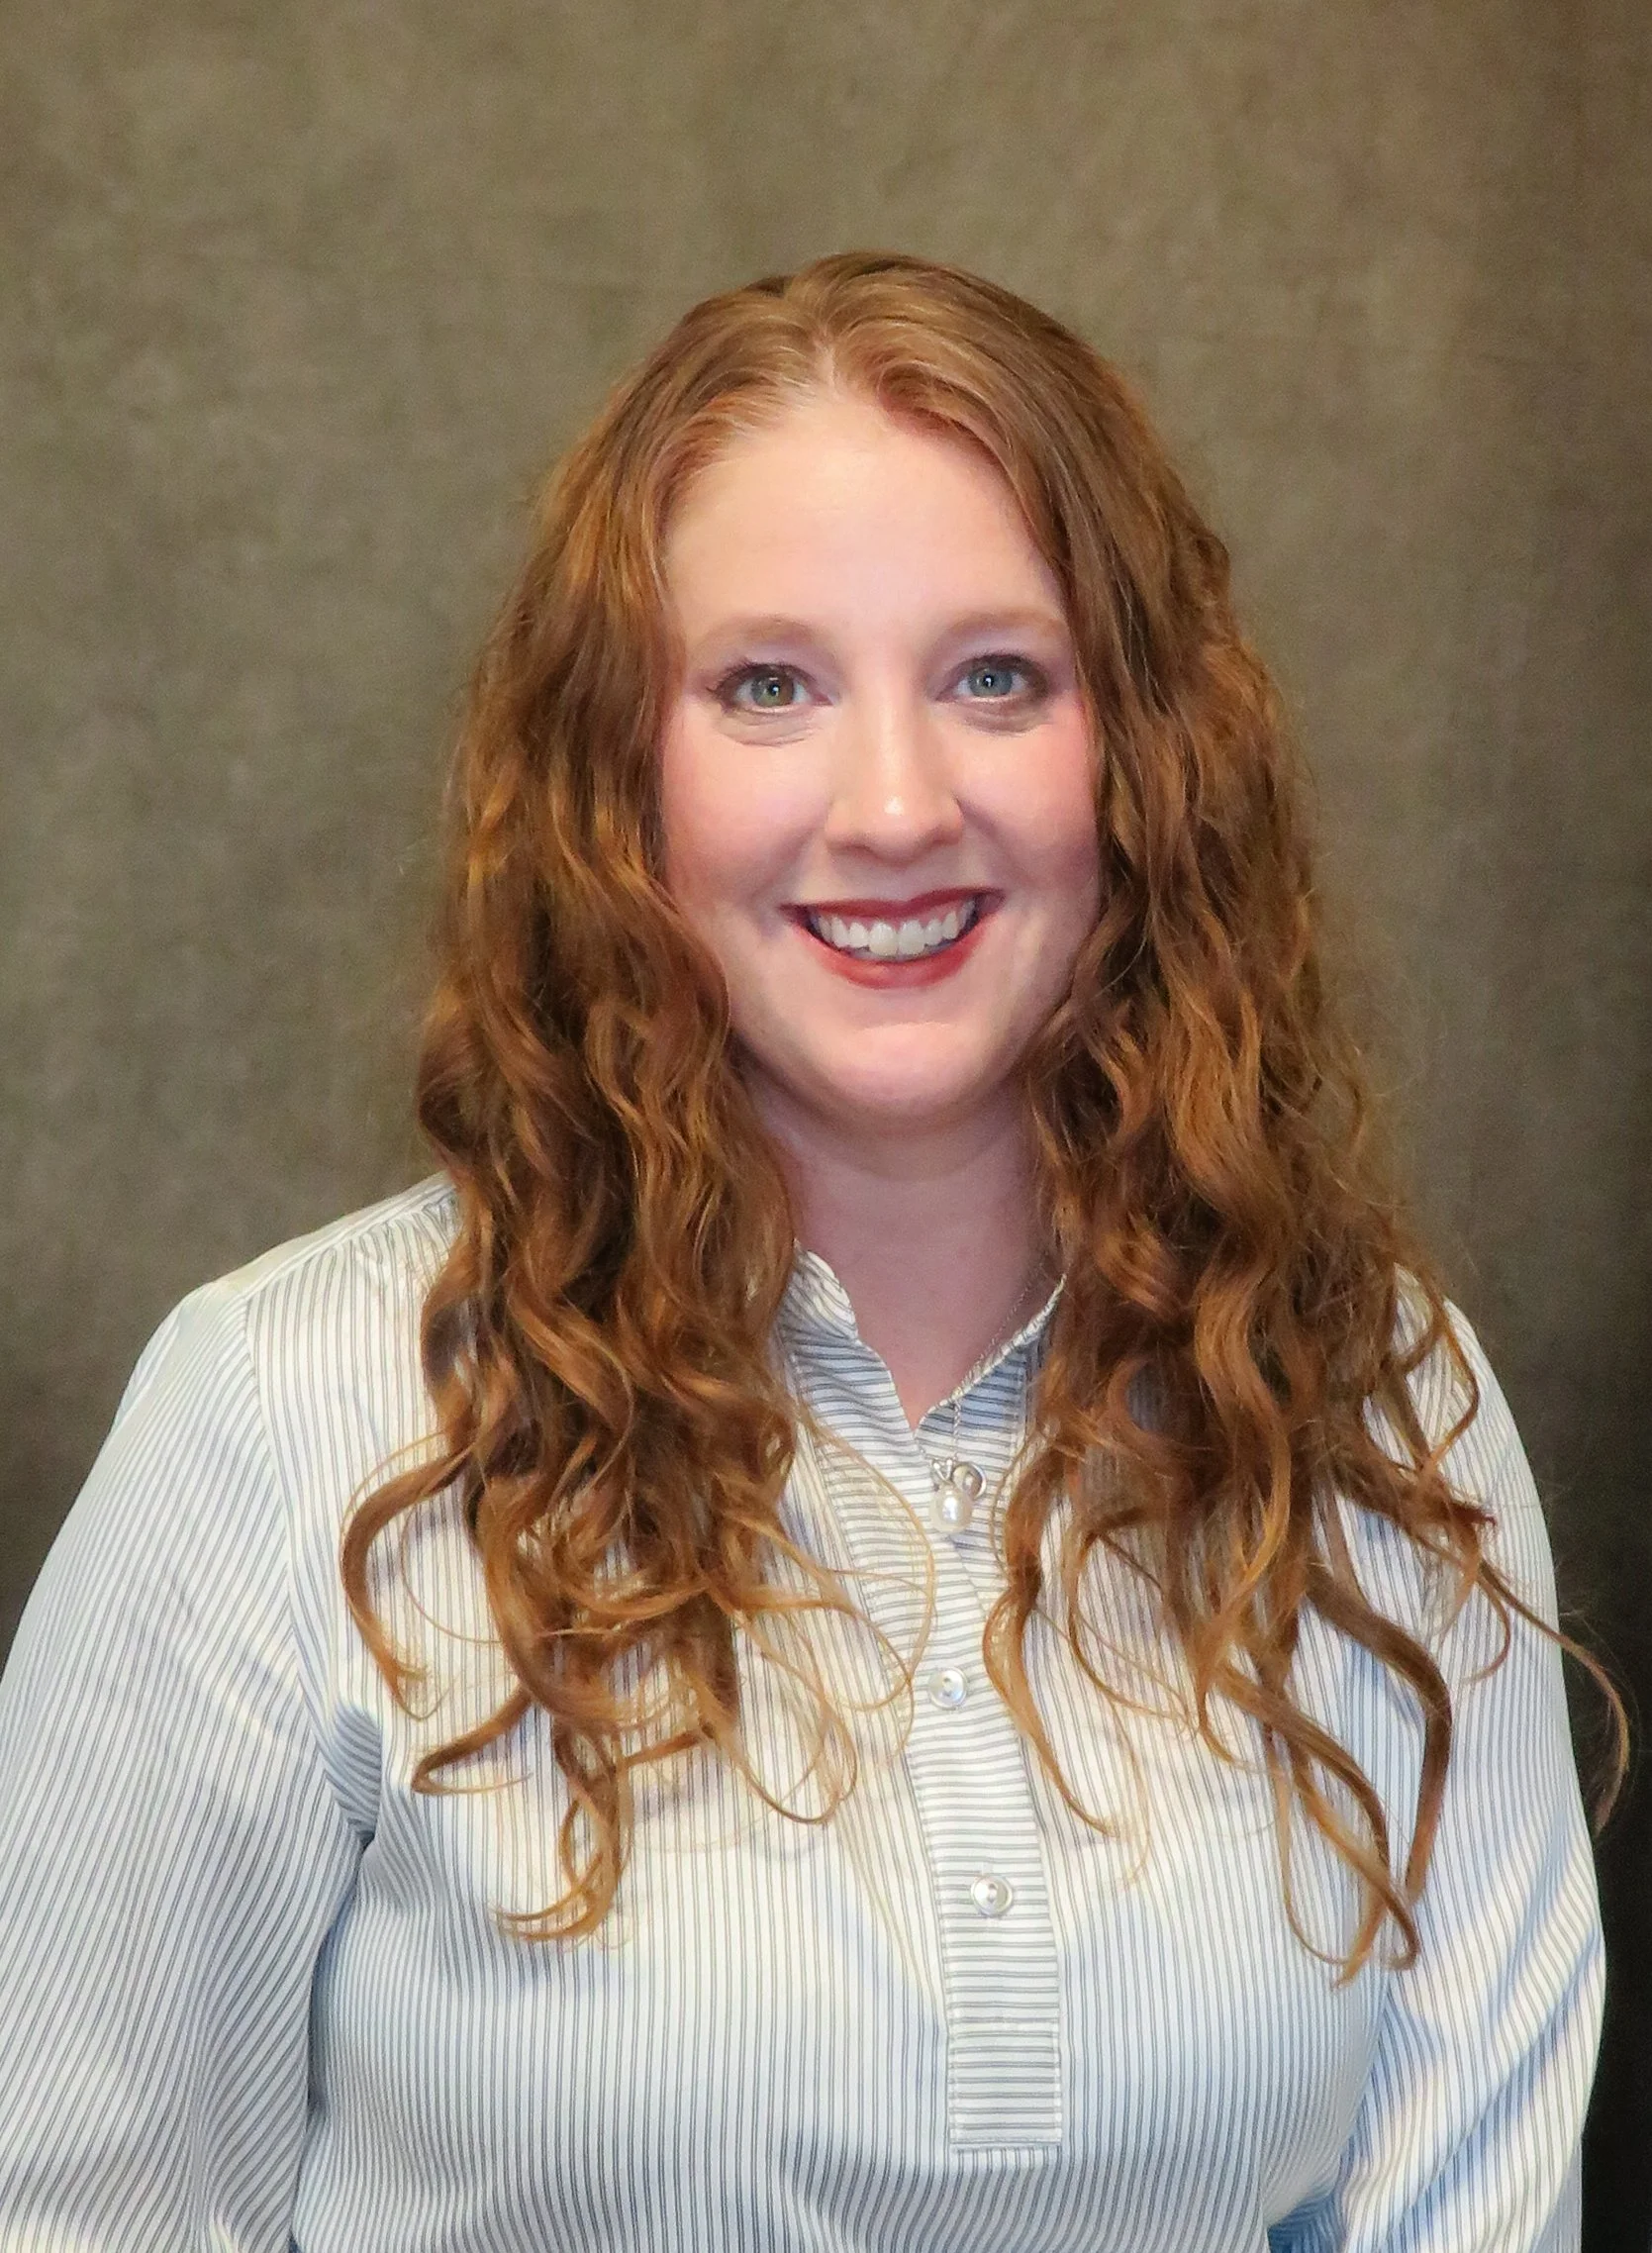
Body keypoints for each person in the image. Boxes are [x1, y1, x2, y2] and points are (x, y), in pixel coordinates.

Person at [0, 251, 1624, 2253]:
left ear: (1146, 758)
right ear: (621, 779)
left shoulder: (1382, 1407)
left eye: (996, 677)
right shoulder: (283, 1417)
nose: (891, 802)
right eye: (766, 684)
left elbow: (1471, 2209)